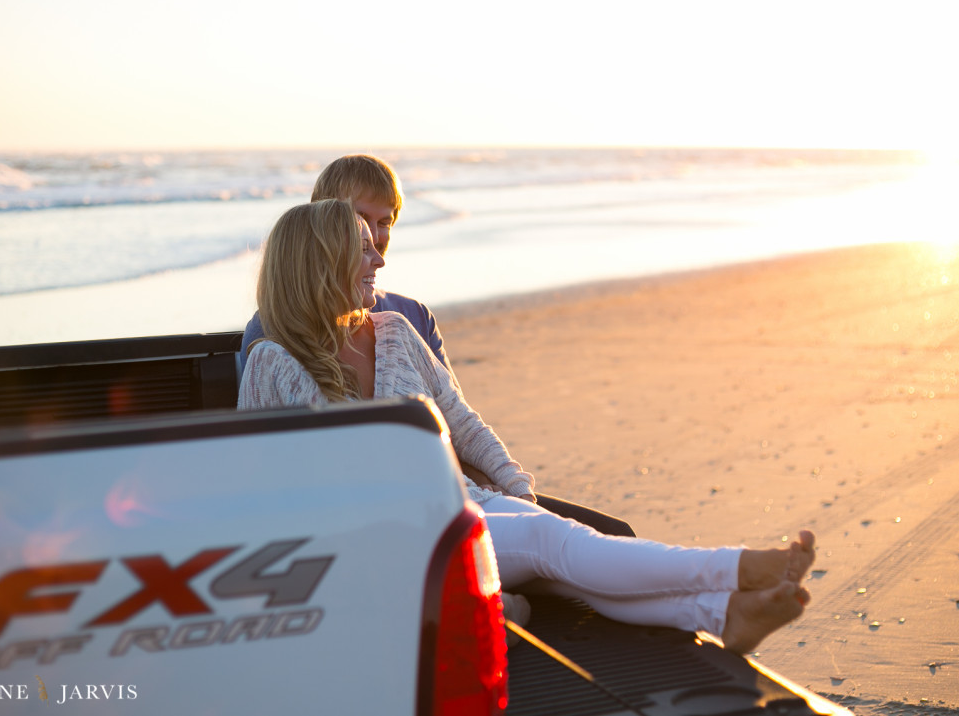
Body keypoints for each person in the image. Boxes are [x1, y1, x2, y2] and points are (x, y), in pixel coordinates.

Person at [238, 199, 816, 653]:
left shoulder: (392, 332)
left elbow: (462, 423)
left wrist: (516, 488)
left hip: (463, 505)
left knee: (566, 558)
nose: (380, 261)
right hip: (389, 542)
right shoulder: (274, 363)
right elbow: (261, 490)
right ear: (322, 261)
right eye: (363, 249)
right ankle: (736, 568)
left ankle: (722, 616)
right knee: (553, 544)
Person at [240, 154, 636, 537]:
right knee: (560, 546)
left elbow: (455, 426)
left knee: (613, 533)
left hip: (463, 495)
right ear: (324, 221)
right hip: (390, 520)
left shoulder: (409, 316)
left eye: (385, 223)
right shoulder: (275, 330)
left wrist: (502, 496)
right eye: (361, 220)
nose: (376, 237)